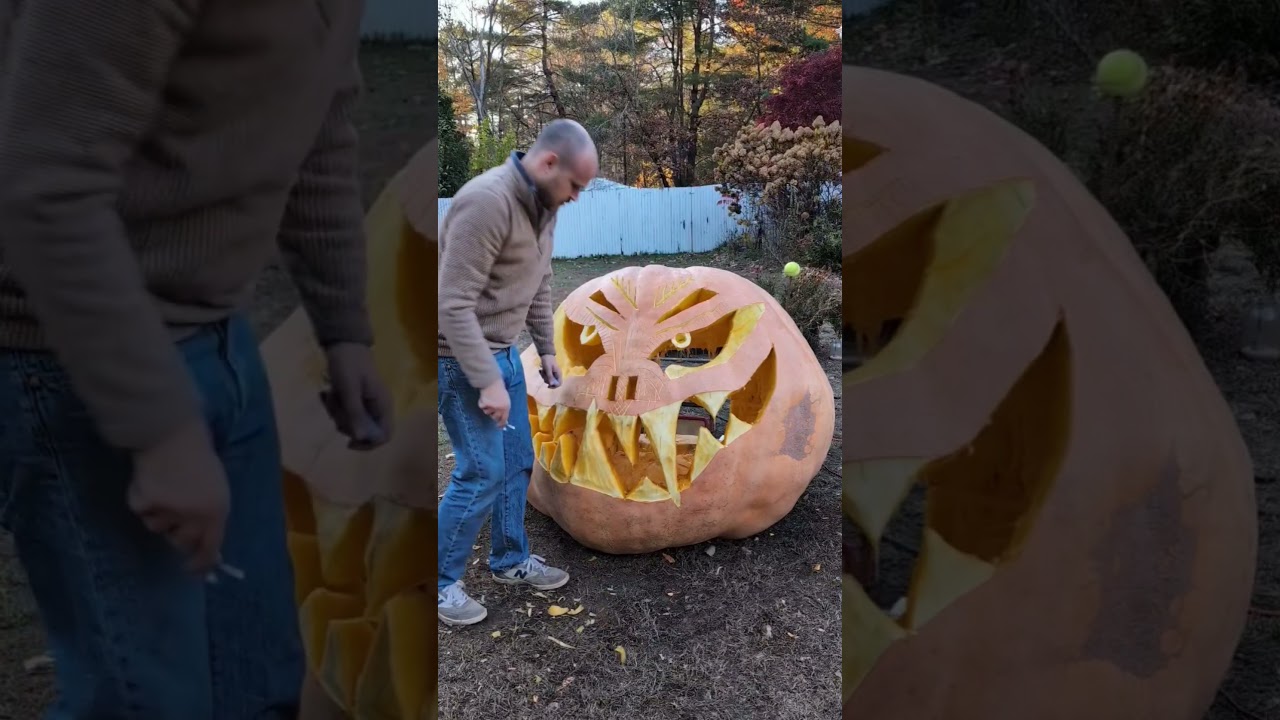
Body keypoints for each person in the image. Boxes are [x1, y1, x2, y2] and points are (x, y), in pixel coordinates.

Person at [0, 1, 392, 717]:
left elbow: (319, 124)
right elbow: (47, 187)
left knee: (258, 679)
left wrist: (344, 328)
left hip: (218, 335)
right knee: (143, 698)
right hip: (67, 357)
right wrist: (159, 429)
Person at [437, 119, 599, 626]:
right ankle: (439, 583)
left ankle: (509, 560)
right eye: (575, 185)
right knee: (480, 470)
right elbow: (451, 304)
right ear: (549, 162)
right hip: (456, 359)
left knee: (515, 461)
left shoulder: (543, 208)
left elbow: (541, 279)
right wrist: (486, 380)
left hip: (504, 353)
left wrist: (546, 348)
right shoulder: (486, 203)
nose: (576, 197)